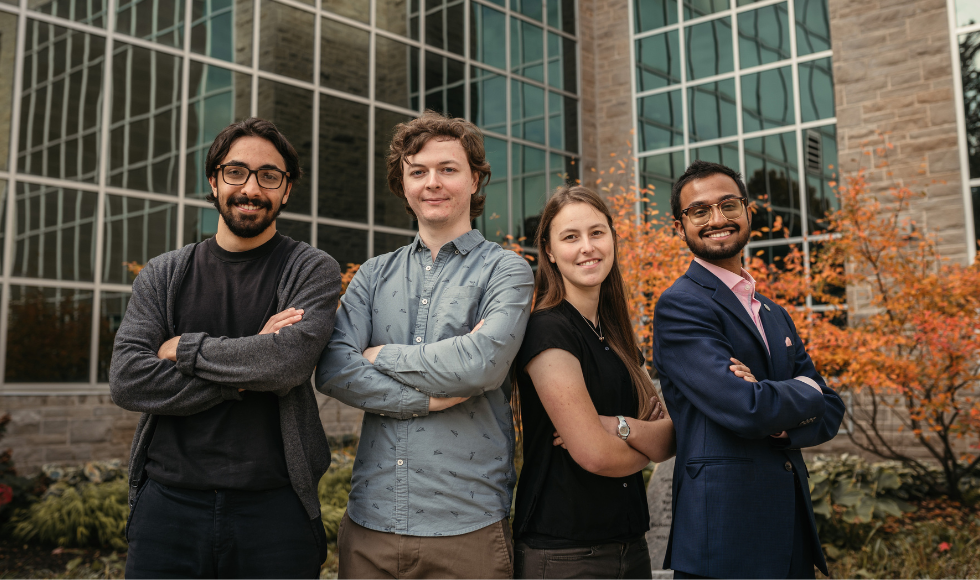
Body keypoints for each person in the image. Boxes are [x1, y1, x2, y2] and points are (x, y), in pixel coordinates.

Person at [109, 118, 341, 578]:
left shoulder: (312, 269)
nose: (250, 188)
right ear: (214, 180)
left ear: (286, 190)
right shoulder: (164, 273)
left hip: (275, 512)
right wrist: (251, 362)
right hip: (167, 508)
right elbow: (129, 380)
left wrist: (185, 349)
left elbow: (286, 367)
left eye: (268, 176)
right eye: (236, 172)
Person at [315, 111, 533, 579]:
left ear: (474, 180)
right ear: (404, 185)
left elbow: (483, 365)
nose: (432, 183)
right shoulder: (373, 274)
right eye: (418, 172)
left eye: (448, 169)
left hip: (468, 529)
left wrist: (379, 356)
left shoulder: (507, 271)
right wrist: (425, 399)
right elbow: (333, 367)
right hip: (369, 526)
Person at [653, 160, 845, 579]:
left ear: (747, 212)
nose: (717, 219)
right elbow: (746, 407)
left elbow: (831, 409)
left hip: (790, 534)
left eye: (728, 205)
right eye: (699, 211)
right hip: (724, 539)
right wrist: (803, 390)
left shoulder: (773, 312)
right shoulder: (682, 305)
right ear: (678, 227)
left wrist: (784, 421)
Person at [510, 185, 677, 579]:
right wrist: (643, 440)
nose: (587, 247)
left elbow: (672, 436)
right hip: (565, 552)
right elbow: (595, 455)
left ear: (612, 239)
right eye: (570, 237)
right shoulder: (547, 329)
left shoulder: (616, 335)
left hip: (631, 544)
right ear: (549, 251)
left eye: (597, 232)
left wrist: (618, 427)